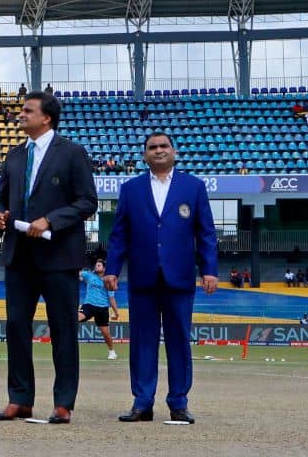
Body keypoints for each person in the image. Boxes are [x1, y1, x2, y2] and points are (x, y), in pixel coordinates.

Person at [0, 90, 98, 425]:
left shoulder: (72, 153)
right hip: (19, 255)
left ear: (46, 117)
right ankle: (20, 399)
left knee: (63, 329)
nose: (20, 115)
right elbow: (1, 199)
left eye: (27, 110)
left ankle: (63, 403)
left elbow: (87, 202)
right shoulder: (14, 156)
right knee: (16, 327)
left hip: (58, 256)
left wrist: (51, 220)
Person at [106, 131, 218, 425]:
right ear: (144, 154)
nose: (158, 150)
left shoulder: (193, 187)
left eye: (163, 146)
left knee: (179, 341)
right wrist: (112, 270)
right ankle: (142, 403)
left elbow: (205, 232)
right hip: (143, 277)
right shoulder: (130, 189)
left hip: (179, 277)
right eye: (152, 147)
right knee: (142, 342)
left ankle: (178, 403)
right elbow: (119, 235)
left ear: (174, 151)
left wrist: (209, 269)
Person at [78, 259, 120, 361]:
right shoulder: (89, 275)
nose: (96, 267)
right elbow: (77, 273)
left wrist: (116, 313)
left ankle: (112, 352)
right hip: (89, 305)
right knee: (77, 317)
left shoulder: (108, 280)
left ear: (104, 268)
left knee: (105, 333)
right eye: (96, 265)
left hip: (102, 308)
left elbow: (111, 298)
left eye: (99, 265)